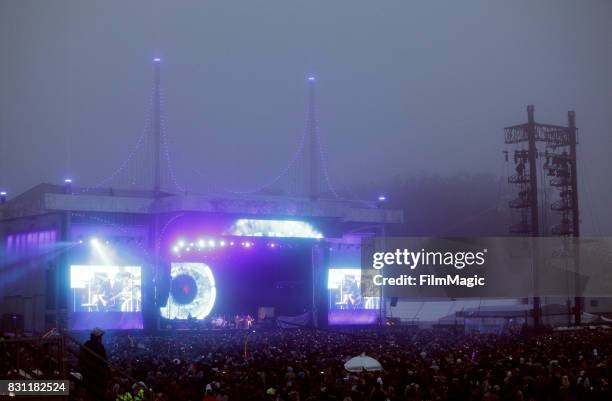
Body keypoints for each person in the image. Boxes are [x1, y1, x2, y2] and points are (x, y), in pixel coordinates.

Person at [79, 327, 110, 400]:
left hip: (88, 376)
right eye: (100, 337)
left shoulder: (86, 344)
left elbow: (81, 358)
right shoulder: (100, 346)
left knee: (90, 395)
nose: (101, 338)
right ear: (97, 337)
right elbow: (104, 361)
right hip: (98, 376)